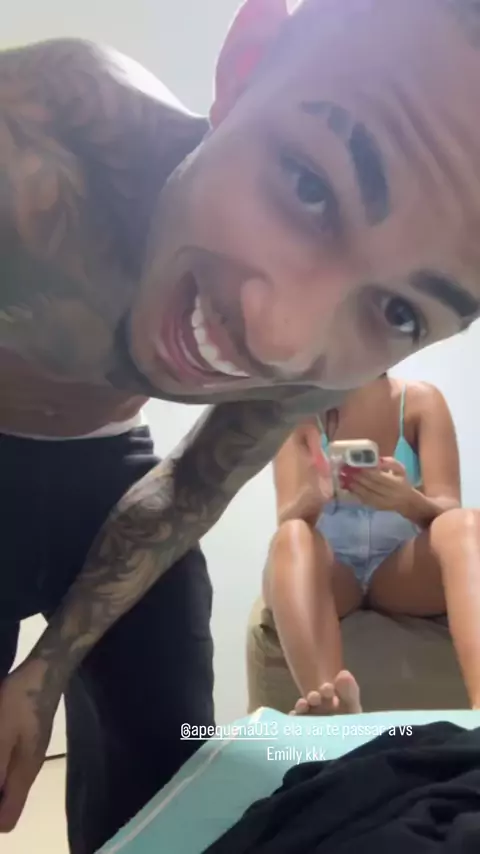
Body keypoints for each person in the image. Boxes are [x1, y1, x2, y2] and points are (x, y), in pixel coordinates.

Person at [2, 0, 480, 850]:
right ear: (247, 65)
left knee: (166, 750)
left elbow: (189, 489)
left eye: (400, 311)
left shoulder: (329, 354)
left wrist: (44, 674)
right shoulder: (37, 143)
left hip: (112, 466)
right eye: (309, 184)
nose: (282, 340)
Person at [265, 375, 480, 715]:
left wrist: (407, 500)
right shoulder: (297, 409)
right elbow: (288, 517)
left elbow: (448, 506)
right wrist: (315, 495)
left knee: (467, 522)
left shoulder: (421, 402)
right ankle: (331, 705)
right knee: (292, 534)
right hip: (334, 573)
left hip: (398, 570)